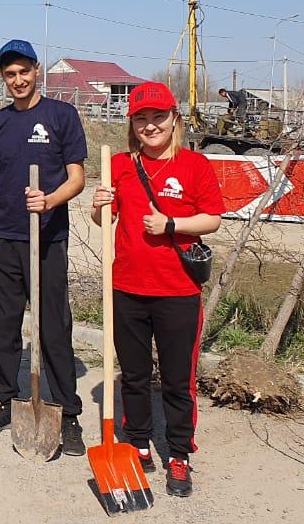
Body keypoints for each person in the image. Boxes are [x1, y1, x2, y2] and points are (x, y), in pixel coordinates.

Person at [91, 82, 222, 498]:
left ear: (174, 119)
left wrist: (171, 225)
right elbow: (102, 223)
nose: (150, 126)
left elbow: (212, 219)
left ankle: (180, 453)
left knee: (177, 380)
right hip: (127, 287)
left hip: (177, 290)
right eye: (141, 118)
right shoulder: (121, 166)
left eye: (158, 117)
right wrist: (98, 203)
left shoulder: (194, 165)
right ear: (132, 124)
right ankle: (141, 443)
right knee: (133, 374)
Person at [0, 39, 88, 455]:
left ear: (37, 70)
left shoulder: (61, 115)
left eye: (24, 72)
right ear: (4, 78)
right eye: (9, 74)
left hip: (47, 238)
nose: (18, 80)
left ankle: (68, 413)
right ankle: (8, 400)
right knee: (3, 326)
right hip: (4, 239)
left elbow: (77, 177)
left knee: (54, 326)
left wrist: (50, 200)